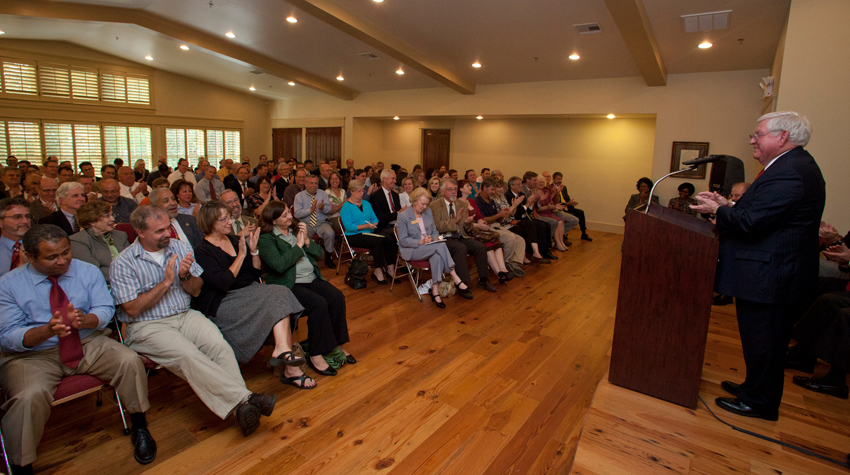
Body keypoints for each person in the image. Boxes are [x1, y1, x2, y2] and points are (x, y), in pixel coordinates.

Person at [691, 111, 825, 421]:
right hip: (768, 272)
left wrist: (719, 211)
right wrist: (729, 205)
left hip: (772, 276)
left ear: (782, 137)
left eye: (758, 134)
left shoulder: (791, 171)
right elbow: (764, 212)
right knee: (759, 341)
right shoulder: (786, 167)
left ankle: (760, 402)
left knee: (766, 341)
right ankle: (753, 388)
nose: (752, 139)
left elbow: (753, 222)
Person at [0, 225, 156, 473]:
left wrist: (88, 320)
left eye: (66, 252)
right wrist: (47, 330)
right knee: (27, 397)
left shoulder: (86, 271)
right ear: (30, 257)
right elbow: (8, 337)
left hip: (86, 340)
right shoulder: (8, 285)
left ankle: (139, 424)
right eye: (51, 257)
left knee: (129, 361)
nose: (62, 261)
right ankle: (21, 464)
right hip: (32, 355)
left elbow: (105, 309)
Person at [110, 205, 277, 436]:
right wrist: (166, 283)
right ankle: (246, 399)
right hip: (148, 326)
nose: (167, 234)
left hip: (185, 315)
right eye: (159, 231)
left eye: (168, 228)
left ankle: (242, 406)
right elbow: (132, 309)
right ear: (141, 232)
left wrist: (184, 276)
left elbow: (197, 290)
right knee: (189, 355)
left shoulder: (179, 246)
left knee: (219, 346)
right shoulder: (123, 262)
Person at [192, 202, 314, 388]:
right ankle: (290, 369)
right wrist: (241, 255)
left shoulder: (234, 240)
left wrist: (254, 251)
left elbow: (253, 274)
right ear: (209, 222)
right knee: (278, 298)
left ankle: (283, 351)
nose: (229, 221)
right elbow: (223, 283)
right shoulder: (202, 251)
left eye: (229, 217)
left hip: (248, 291)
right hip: (225, 300)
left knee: (281, 293)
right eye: (223, 219)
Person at [258, 201, 354, 378]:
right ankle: (316, 354)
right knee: (318, 304)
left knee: (337, 296)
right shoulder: (266, 239)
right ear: (273, 221)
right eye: (285, 215)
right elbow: (278, 266)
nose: (290, 217)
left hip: (310, 277)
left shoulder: (295, 230)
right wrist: (298, 246)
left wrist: (308, 241)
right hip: (288, 284)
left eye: (289, 212)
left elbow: (319, 255)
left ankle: (336, 345)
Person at [397, 188, 472, 308]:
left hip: (430, 246)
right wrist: (421, 241)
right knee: (441, 246)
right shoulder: (403, 216)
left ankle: (435, 291)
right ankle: (455, 277)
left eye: (426, 204)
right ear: (414, 201)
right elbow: (403, 241)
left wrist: (434, 238)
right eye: (422, 204)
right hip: (412, 249)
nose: (424, 206)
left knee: (437, 254)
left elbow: (434, 231)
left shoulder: (427, 212)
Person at [429, 179, 496, 293]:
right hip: (444, 238)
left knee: (480, 246)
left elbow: (466, 229)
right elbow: (438, 226)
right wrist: (454, 220)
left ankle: (483, 279)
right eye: (450, 189)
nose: (453, 192)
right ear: (443, 191)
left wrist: (467, 223)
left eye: (455, 189)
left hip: (460, 236)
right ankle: (462, 284)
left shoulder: (462, 204)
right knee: (460, 248)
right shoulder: (434, 206)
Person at [339, 180, 396, 284]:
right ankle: (378, 271)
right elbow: (349, 227)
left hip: (370, 231)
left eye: (363, 191)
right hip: (354, 235)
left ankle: (390, 269)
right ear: (352, 191)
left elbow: (375, 218)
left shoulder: (366, 204)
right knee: (377, 242)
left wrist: (374, 224)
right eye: (359, 191)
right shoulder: (346, 207)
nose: (362, 193)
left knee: (389, 238)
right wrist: (365, 226)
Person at [473, 178, 527, 276]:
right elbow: (484, 220)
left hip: (497, 225)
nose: (493, 192)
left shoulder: (491, 201)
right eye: (492, 190)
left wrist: (503, 214)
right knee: (510, 238)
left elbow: (498, 219)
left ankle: (514, 263)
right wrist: (499, 215)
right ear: (484, 188)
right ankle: (506, 264)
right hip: (488, 228)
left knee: (520, 240)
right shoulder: (478, 201)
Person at [69, 200, 130, 285]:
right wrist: (124, 279)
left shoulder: (120, 236)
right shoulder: (78, 241)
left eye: (112, 215)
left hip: (129, 283)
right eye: (107, 216)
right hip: (103, 287)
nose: (113, 219)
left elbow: (133, 263)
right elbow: (92, 272)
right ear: (92, 221)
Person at [507, 176, 557, 260]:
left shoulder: (521, 194)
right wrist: (527, 204)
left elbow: (528, 211)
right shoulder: (509, 196)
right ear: (512, 186)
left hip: (525, 217)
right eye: (518, 184)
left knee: (545, 225)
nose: (521, 186)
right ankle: (536, 252)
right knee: (531, 225)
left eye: (520, 184)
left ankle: (545, 250)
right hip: (517, 219)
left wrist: (531, 204)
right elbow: (516, 214)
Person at [294, 175, 337, 269]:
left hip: (322, 222)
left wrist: (323, 208)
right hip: (306, 223)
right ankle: (307, 258)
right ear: (305, 184)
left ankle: (328, 257)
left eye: (316, 183)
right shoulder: (299, 196)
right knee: (304, 235)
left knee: (330, 233)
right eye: (311, 183)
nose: (314, 185)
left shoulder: (323, 194)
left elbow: (329, 210)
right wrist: (310, 210)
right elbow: (296, 214)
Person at [531, 175, 573, 252]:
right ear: (536, 183)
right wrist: (546, 205)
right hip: (541, 213)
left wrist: (555, 206)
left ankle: (561, 242)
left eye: (542, 182)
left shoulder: (546, 191)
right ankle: (558, 243)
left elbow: (551, 203)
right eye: (539, 182)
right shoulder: (533, 192)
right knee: (556, 222)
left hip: (548, 211)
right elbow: (537, 209)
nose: (541, 183)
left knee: (560, 222)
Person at [550, 172, 592, 242]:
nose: (559, 181)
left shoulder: (564, 187)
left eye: (561, 179)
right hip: (560, 208)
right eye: (558, 179)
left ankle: (584, 233)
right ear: (553, 179)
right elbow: (556, 203)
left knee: (580, 213)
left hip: (567, 207)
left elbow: (566, 198)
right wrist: (567, 203)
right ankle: (561, 235)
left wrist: (571, 203)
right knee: (568, 216)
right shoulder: (551, 188)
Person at [0, 197, 32, 278]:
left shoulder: (41, 246)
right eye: (17, 217)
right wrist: (21, 266)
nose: (25, 221)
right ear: (0, 222)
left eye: (27, 216)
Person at [368, 169, 405, 234]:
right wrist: (398, 213)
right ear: (384, 179)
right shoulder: (376, 197)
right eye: (392, 178)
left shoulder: (395, 195)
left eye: (395, 179)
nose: (395, 181)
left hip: (397, 224)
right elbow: (380, 218)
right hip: (384, 227)